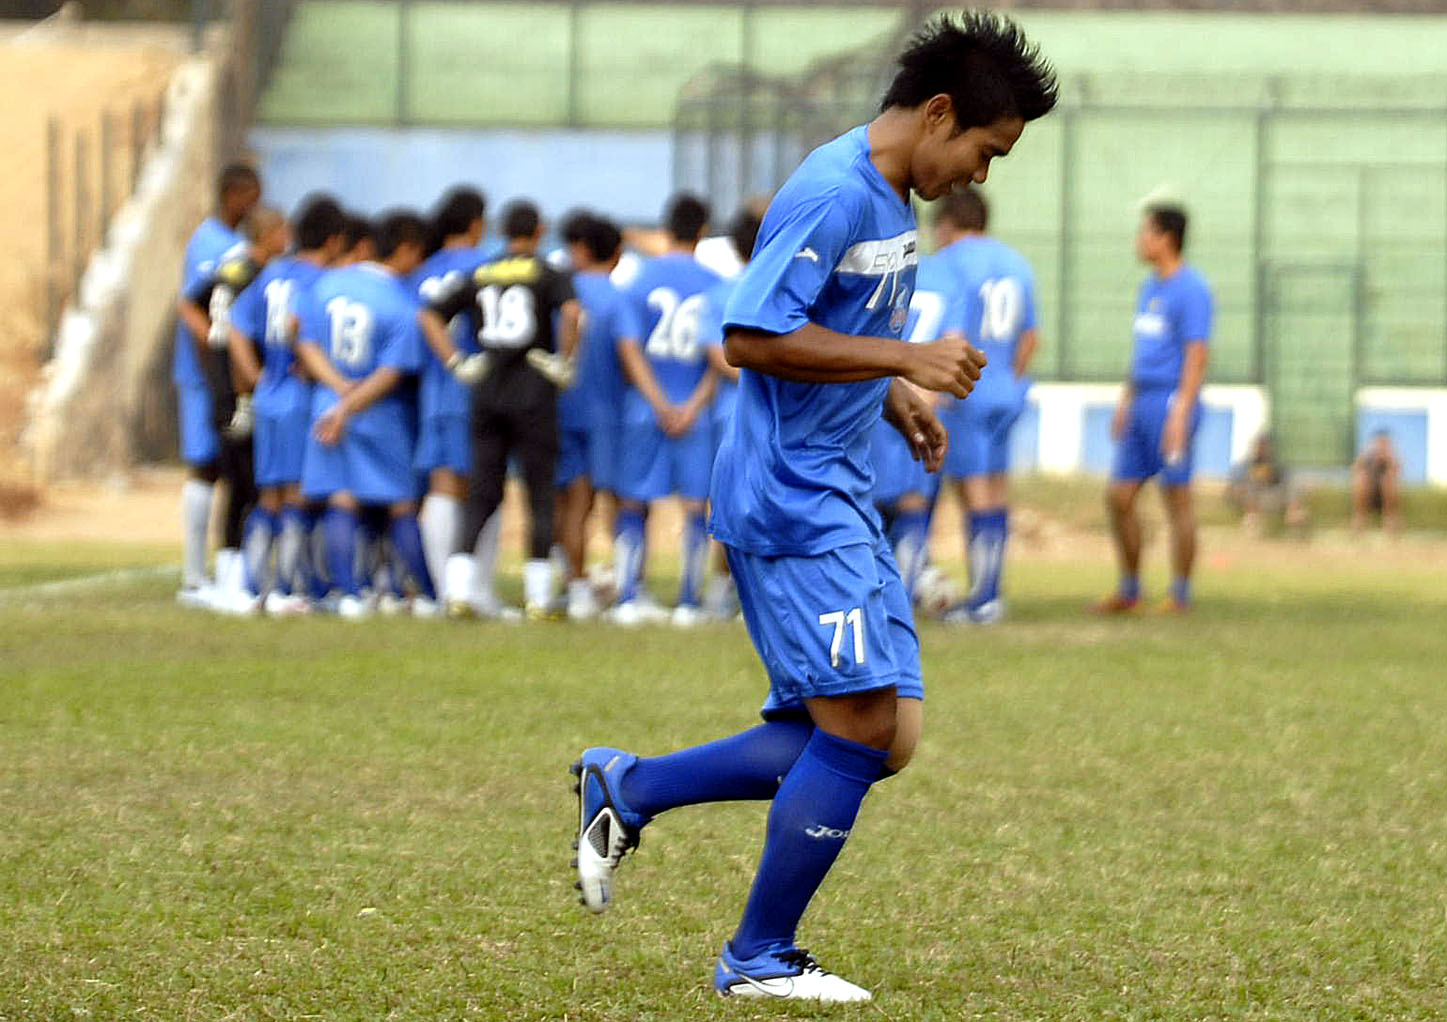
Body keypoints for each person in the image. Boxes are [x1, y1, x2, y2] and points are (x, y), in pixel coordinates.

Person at [571, 11, 1055, 1002]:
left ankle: (630, 786)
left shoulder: (894, 200)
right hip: (790, 500)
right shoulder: (833, 192)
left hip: (836, 489)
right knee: (863, 721)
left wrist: (896, 392)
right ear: (937, 113)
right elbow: (750, 336)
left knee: (886, 734)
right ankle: (758, 954)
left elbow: (831, 329)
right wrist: (904, 356)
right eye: (983, 149)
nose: (981, 174)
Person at [420, 199, 581, 619]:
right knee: (539, 493)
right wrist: (564, 358)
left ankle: (458, 593)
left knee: (482, 494)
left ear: (500, 232)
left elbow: (430, 314)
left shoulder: (482, 271)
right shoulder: (548, 272)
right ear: (539, 230)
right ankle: (539, 598)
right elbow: (571, 310)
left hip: (487, 390)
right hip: (533, 390)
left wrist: (456, 362)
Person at [295, 210, 438, 619]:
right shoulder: (401, 300)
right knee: (401, 504)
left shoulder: (328, 283)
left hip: (327, 405)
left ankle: (350, 594)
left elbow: (305, 343)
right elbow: (392, 371)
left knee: (342, 497)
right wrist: (352, 403)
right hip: (377, 411)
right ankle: (425, 595)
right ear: (405, 251)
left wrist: (338, 392)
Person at [225, 194, 350, 614]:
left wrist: (257, 378)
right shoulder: (321, 281)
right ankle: (289, 589)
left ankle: (253, 586)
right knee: (297, 494)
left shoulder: (273, 273)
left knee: (269, 495)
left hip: (270, 397)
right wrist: (308, 360)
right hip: (298, 398)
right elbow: (299, 325)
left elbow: (236, 328)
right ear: (334, 241)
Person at [1095, 203, 1213, 614]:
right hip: (1142, 400)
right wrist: (1125, 402)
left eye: (1145, 233)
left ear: (1165, 238)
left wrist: (1181, 413)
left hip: (1169, 401)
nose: (1139, 241)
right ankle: (1130, 588)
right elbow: (1142, 351)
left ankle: (1180, 593)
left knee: (1176, 497)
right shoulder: (1150, 288)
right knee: (1119, 496)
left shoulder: (1192, 288)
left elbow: (1197, 355)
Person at [612, 194, 722, 627]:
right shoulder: (716, 283)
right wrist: (691, 405)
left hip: (644, 408)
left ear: (666, 226)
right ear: (703, 231)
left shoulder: (637, 279)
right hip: (697, 412)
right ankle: (688, 603)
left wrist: (657, 402)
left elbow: (628, 347)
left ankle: (626, 597)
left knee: (635, 502)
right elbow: (722, 355)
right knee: (696, 505)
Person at [932, 187, 1040, 624]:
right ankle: (992, 590)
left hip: (967, 392)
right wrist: (1011, 380)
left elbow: (950, 334)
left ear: (946, 224)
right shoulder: (1016, 263)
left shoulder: (947, 265)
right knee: (997, 488)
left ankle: (982, 598)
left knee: (972, 490)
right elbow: (1032, 335)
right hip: (1007, 392)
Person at [176, 205, 290, 612]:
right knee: (248, 486)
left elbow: (189, 304)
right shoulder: (257, 277)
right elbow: (241, 334)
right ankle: (235, 581)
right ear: (270, 234)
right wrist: (252, 383)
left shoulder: (229, 272)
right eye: (283, 230)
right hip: (241, 394)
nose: (288, 238)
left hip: (220, 389)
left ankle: (232, 578)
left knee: (238, 484)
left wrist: (211, 345)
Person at [173, 163, 261, 608]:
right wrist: (214, 347)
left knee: (231, 469)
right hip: (202, 374)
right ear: (235, 194)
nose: (255, 205)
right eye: (252, 196)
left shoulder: (240, 245)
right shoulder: (209, 243)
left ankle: (225, 570)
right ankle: (193, 577)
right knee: (204, 464)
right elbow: (190, 306)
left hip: (225, 377)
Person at [411, 187, 495, 610]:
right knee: (483, 487)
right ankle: (478, 590)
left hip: (434, 391)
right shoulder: (486, 266)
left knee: (442, 485)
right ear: (477, 224)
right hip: (483, 390)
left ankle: (447, 590)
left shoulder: (422, 271)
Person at [556, 212, 642, 621]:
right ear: (617, 253)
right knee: (614, 501)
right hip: (605, 413)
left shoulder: (560, 291)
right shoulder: (614, 296)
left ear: (580, 249)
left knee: (569, 503)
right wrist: (658, 400)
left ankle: (573, 587)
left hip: (558, 409)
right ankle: (623, 587)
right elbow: (629, 354)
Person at [699, 202, 766, 620]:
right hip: (772, 415)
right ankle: (744, 595)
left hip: (729, 413)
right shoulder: (785, 291)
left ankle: (721, 591)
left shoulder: (719, 294)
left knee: (728, 506)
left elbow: (716, 354)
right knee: (761, 504)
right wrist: (777, 382)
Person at [1227, 431, 1308, 537]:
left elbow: (1286, 483)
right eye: (1260, 446)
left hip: (1274, 497)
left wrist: (1272, 476)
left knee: (1292, 484)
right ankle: (1252, 520)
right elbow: (1235, 486)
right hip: (1255, 500)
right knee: (1248, 486)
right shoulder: (1246, 466)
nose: (1262, 450)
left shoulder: (1278, 466)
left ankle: (1295, 517)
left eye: (1265, 447)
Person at [1352, 430, 1403, 534]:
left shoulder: (1391, 457)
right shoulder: (1367, 456)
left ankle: (1390, 519)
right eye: (1379, 442)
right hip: (1368, 493)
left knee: (1388, 481)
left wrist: (1388, 460)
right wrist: (1367, 459)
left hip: (1386, 496)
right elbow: (1355, 469)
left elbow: (1397, 472)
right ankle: (1360, 519)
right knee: (1362, 479)